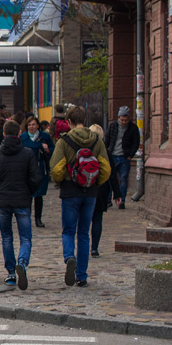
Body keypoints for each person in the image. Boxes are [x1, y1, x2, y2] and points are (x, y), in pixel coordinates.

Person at [50, 105, 111, 288]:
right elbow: (106, 168)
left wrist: (62, 181)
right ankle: (82, 276)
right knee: (84, 234)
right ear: (84, 120)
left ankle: (69, 257)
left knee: (68, 230)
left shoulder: (64, 141)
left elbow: (56, 169)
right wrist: (96, 182)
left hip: (70, 192)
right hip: (90, 192)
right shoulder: (96, 140)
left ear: (68, 122)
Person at [0, 120, 43, 289]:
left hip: (3, 201)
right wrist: (29, 191)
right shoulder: (27, 153)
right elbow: (36, 177)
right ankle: (22, 263)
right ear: (19, 134)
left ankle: (11, 272)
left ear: (3, 134)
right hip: (22, 200)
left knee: (6, 237)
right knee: (25, 237)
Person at [20, 115, 54, 227]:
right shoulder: (23, 137)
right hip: (27, 169)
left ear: (38, 125)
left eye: (33, 124)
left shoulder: (44, 136)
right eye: (29, 125)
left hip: (40, 168)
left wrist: (47, 149)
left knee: (39, 195)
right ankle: (27, 217)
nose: (31, 127)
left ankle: (38, 218)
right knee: (28, 194)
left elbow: (53, 149)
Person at [104, 106, 141, 209]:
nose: (124, 122)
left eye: (126, 120)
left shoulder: (133, 128)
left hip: (124, 157)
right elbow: (107, 139)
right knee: (110, 178)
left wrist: (130, 155)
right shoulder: (113, 126)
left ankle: (122, 201)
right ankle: (108, 200)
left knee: (123, 179)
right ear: (118, 118)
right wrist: (105, 152)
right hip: (112, 156)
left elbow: (136, 142)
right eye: (122, 120)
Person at [88, 123, 114, 258]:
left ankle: (83, 245)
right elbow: (112, 172)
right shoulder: (105, 151)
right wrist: (118, 192)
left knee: (85, 220)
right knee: (97, 219)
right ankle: (94, 248)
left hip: (85, 187)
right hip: (101, 187)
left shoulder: (83, 150)